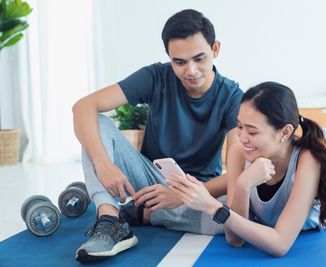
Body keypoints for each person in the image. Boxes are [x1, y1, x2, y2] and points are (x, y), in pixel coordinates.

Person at [72, 9, 243, 262]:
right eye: (180, 62)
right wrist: (103, 163)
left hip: (199, 190)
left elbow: (237, 173)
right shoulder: (156, 76)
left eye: (199, 58)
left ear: (215, 49)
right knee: (95, 123)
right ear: (169, 58)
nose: (191, 70)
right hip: (150, 180)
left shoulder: (232, 97)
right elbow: (83, 107)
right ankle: (110, 220)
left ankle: (141, 214)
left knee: (238, 218)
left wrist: (182, 195)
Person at [167, 81, 326, 257]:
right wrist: (243, 186)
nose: (242, 137)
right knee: (193, 208)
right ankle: (144, 213)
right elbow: (235, 239)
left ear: (284, 132)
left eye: (252, 132)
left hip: (302, 221)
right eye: (239, 126)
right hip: (260, 218)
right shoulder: (239, 150)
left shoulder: (308, 159)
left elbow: (280, 244)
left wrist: (213, 204)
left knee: (208, 206)